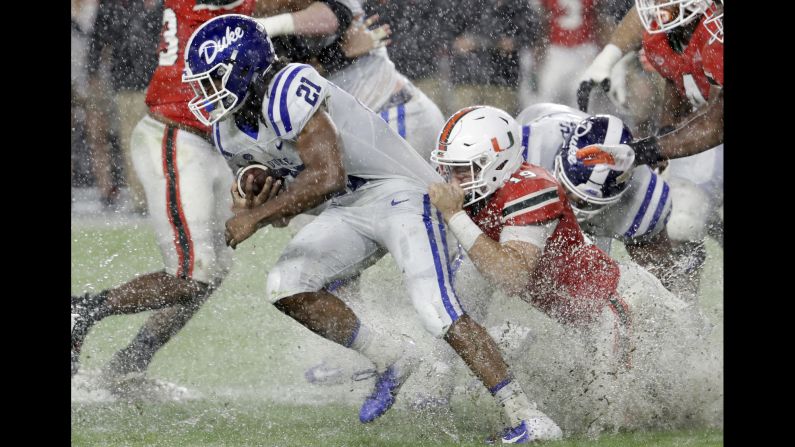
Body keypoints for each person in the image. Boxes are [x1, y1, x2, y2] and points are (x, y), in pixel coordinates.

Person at [185, 14, 562, 442]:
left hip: (400, 192)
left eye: (213, 79)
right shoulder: (229, 130)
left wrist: (255, 217)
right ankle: (395, 357)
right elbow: (281, 184)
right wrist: (254, 190)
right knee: (285, 285)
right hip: (350, 206)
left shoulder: (288, 86)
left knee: (435, 310)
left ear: (245, 67)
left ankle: (527, 415)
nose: (205, 92)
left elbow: (329, 175)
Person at [71, 0, 387, 397]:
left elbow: (326, 17)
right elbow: (326, 15)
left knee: (208, 273)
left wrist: (326, 46)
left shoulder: (231, 24)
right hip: (177, 133)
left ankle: (128, 366)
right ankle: (83, 309)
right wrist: (334, 48)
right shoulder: (222, 16)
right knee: (192, 273)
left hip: (213, 139)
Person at [428, 105, 713, 434]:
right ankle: (436, 380)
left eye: (464, 169)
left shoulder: (537, 189)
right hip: (585, 299)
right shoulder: (525, 148)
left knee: (612, 418)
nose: (453, 180)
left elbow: (512, 274)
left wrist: (455, 216)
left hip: (619, 302)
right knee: (466, 283)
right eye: (452, 169)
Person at [515, 103, 678, 290]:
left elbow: (662, 283)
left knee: (597, 281)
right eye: (567, 191)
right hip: (541, 120)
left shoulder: (644, 197)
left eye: (585, 203)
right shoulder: (528, 149)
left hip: (608, 208)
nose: (572, 206)